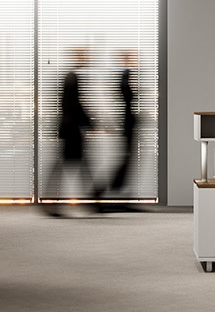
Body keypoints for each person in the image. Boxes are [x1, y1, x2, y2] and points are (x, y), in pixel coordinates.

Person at [40, 46, 96, 216]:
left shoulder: (71, 76)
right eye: (84, 56)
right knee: (73, 166)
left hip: (70, 129)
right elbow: (74, 105)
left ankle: (91, 201)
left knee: (75, 166)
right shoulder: (72, 77)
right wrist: (90, 123)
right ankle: (92, 201)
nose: (87, 59)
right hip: (72, 130)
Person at [97, 49, 142, 211]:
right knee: (124, 162)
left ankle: (117, 196)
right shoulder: (125, 76)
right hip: (127, 125)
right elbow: (125, 99)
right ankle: (101, 192)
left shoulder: (127, 75)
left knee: (126, 162)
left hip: (128, 124)